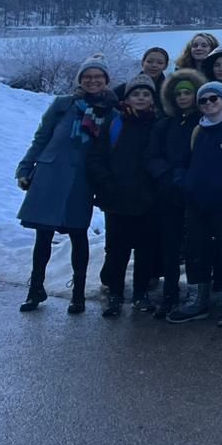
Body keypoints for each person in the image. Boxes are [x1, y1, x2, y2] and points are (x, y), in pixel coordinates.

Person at [16, 55, 112, 314]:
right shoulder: (62, 105)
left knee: (78, 234)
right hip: (50, 174)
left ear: (106, 80)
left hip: (83, 180)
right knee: (43, 235)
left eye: (98, 77)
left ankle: (78, 293)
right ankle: (35, 289)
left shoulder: (111, 111)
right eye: (87, 76)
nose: (92, 81)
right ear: (80, 80)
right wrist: (25, 168)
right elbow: (41, 138)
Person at [167, 82, 222, 326]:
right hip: (196, 202)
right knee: (196, 250)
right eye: (203, 100)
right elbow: (183, 161)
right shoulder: (197, 130)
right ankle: (197, 300)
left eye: (213, 98)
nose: (208, 104)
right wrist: (183, 182)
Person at [88, 75, 159, 317]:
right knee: (117, 249)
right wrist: (107, 184)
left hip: (148, 199)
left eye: (146, 94)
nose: (140, 98)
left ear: (153, 99)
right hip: (117, 198)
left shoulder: (158, 124)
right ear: (126, 98)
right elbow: (97, 157)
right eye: (135, 94)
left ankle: (141, 293)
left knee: (146, 249)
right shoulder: (115, 122)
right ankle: (115, 293)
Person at [148, 67, 204, 319]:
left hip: (195, 191)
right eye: (178, 93)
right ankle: (169, 293)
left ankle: (196, 293)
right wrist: (166, 176)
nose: (183, 97)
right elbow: (152, 155)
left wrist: (190, 178)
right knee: (169, 245)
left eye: (187, 93)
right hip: (168, 191)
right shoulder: (164, 125)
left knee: (195, 245)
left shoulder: (204, 123)